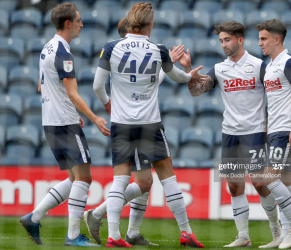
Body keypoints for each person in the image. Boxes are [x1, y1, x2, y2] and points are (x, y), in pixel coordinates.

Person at [92, 2, 205, 248]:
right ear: (150, 24)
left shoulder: (111, 47)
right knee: (167, 176)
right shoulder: (158, 49)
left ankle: (114, 236)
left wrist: (108, 104)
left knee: (120, 180)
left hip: (121, 124)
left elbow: (97, 86)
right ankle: (185, 232)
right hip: (150, 124)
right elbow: (177, 77)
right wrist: (189, 74)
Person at [183, 20, 281, 247]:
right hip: (230, 134)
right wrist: (188, 71)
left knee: (260, 184)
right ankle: (243, 237)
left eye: (227, 40)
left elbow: (276, 96)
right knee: (234, 186)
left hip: (255, 132)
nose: (224, 45)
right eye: (221, 41)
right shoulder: (219, 69)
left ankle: (277, 232)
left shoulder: (258, 66)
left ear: (240, 39)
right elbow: (197, 91)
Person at [19, 3, 109, 247]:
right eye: (78, 20)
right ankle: (72, 237)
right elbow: (73, 93)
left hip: (50, 121)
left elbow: (42, 86)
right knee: (84, 177)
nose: (81, 24)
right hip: (65, 123)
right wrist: (95, 118)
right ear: (68, 23)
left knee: (74, 177)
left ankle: (34, 217)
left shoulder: (46, 48)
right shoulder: (63, 53)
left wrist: (66, 107)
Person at [257, 19, 291, 249]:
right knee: (284, 180)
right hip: (276, 130)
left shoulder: (290, 62)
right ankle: (286, 234)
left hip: (288, 130)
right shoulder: (269, 66)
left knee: (270, 178)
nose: (260, 43)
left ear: (277, 39)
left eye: (263, 38)